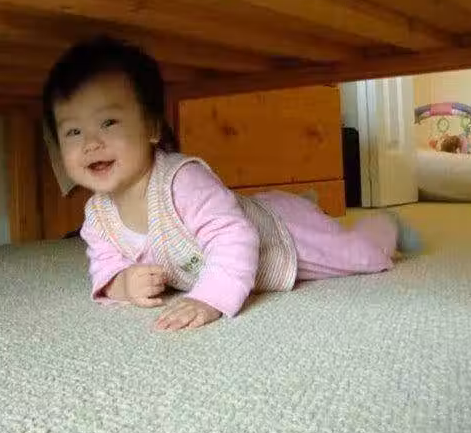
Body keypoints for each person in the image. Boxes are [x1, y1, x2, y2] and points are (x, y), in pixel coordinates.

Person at [42, 36, 421, 332]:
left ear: (152, 127)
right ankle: (305, 204)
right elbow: (105, 265)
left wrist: (211, 298)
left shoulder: (182, 182)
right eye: (73, 131)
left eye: (108, 123)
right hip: (246, 209)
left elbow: (234, 236)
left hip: (278, 237)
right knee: (260, 207)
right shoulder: (98, 216)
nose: (90, 143)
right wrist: (122, 284)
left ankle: (384, 226)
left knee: (361, 256)